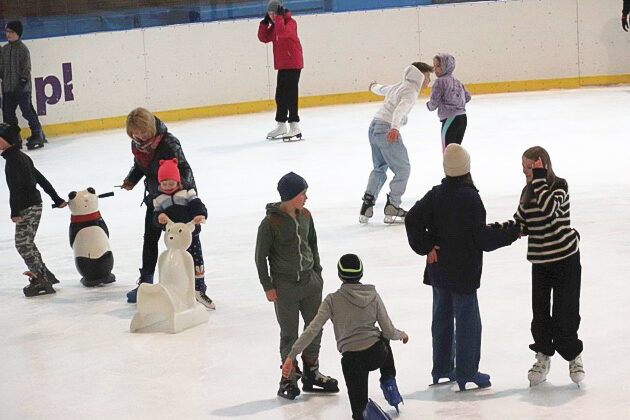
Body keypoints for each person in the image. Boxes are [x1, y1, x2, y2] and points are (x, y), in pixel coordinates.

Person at [405, 144, 520, 391]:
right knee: (467, 322)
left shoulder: (435, 194)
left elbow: (412, 219)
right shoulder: (470, 198)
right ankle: (467, 372)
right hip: (463, 273)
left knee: (442, 318)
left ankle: (443, 368)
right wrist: (512, 232)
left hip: (439, 272)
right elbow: (481, 239)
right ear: (467, 168)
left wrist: (426, 246)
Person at [282, 254, 409, 419]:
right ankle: (388, 380)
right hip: (376, 354)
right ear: (361, 273)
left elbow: (312, 329)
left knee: (359, 411)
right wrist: (401, 335)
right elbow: (388, 330)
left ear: (339, 276)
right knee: (383, 339)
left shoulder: (331, 300)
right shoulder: (373, 295)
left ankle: (367, 414)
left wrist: (292, 355)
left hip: (352, 361)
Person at [255, 172, 338, 399]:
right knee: (289, 334)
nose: (306, 198)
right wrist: (268, 285)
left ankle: (312, 371)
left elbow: (313, 244)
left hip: (310, 283)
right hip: (285, 286)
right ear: (291, 195)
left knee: (314, 327)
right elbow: (260, 257)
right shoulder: (271, 223)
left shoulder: (306, 215)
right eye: (303, 193)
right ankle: (289, 378)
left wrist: (317, 274)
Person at [514, 146, 584, 386]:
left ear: (540, 165)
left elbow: (550, 211)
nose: (523, 171)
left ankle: (574, 356)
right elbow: (521, 223)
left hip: (566, 259)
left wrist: (540, 180)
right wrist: (496, 231)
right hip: (541, 261)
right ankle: (543, 355)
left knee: (566, 314)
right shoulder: (528, 190)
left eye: (527, 166)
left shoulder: (559, 186)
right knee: (540, 315)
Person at [120, 107, 196, 303]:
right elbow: (140, 164)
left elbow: (184, 168)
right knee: (150, 238)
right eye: (136, 133)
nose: (141, 136)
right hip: (156, 198)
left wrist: (185, 197)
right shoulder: (137, 145)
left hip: (177, 199)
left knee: (185, 241)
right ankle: (145, 283)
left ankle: (196, 285)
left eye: (144, 132)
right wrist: (131, 179)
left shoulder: (169, 143)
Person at [360, 62, 432, 225]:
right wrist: (394, 127)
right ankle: (393, 205)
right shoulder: (411, 91)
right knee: (403, 169)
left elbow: (382, 89)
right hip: (387, 128)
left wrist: (373, 87)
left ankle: (367, 204)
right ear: (420, 76)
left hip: (374, 126)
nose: (429, 81)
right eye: (428, 76)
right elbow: (400, 109)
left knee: (380, 168)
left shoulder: (400, 86)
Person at [0, 123, 67, 296]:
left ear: (7, 141)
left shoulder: (14, 161)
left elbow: (16, 188)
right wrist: (56, 198)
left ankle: (41, 279)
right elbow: (41, 179)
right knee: (27, 242)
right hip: (33, 205)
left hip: (27, 207)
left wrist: (14, 211)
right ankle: (44, 274)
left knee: (23, 244)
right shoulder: (20, 157)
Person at [152, 158, 214, 309]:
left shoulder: (187, 192)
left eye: (171, 183)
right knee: (175, 263)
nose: (167, 187)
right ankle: (178, 291)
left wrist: (200, 215)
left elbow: (198, 205)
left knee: (196, 262)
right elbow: (155, 216)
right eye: (164, 184)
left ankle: (199, 290)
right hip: (173, 239)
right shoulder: (158, 198)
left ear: (178, 181)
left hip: (190, 235)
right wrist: (159, 218)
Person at [258, 0, 304, 140]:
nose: (271, 16)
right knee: (280, 96)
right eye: (269, 14)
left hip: (293, 63)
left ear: (279, 12)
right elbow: (263, 38)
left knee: (290, 95)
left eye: (274, 13)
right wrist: (264, 23)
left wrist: (278, 18)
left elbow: (283, 33)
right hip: (283, 65)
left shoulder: (290, 23)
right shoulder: (274, 25)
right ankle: (281, 124)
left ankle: (295, 125)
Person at [0, 21, 47, 150]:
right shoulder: (4, 50)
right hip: (8, 89)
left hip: (22, 89)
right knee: (8, 114)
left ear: (18, 34)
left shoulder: (23, 49)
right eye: (7, 31)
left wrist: (22, 83)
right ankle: (14, 138)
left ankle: (37, 133)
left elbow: (26, 69)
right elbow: (2, 70)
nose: (8, 34)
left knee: (27, 111)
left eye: (11, 32)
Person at [426, 53, 471, 152]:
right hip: (463, 119)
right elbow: (467, 97)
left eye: (438, 66)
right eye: (434, 66)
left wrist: (429, 105)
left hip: (450, 120)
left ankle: (450, 168)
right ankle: (458, 167)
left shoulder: (439, 82)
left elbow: (434, 102)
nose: (435, 69)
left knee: (447, 152)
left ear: (446, 66)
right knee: (456, 151)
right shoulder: (458, 81)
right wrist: (457, 103)